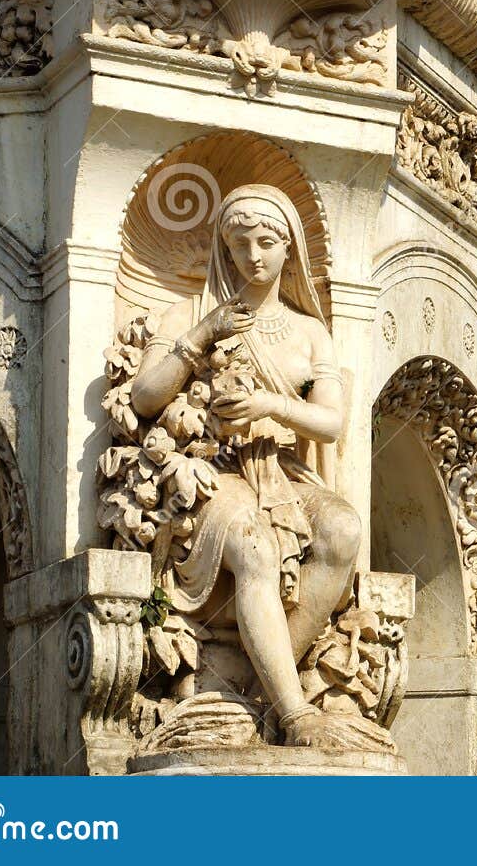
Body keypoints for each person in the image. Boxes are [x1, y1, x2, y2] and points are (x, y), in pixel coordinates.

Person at [130, 183, 360, 746]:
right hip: (212, 467)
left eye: (264, 242)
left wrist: (268, 405)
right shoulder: (190, 313)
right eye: (238, 245)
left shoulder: (309, 331)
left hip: (280, 470)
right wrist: (202, 336)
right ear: (224, 249)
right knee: (253, 544)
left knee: (343, 529)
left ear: (289, 249)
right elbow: (143, 398)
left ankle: (261, 697)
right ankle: (296, 714)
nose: (252, 256)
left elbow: (331, 422)